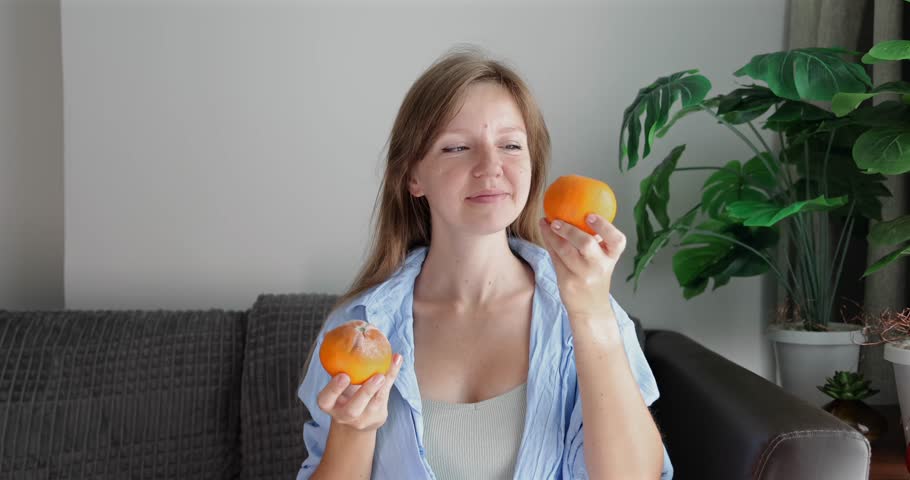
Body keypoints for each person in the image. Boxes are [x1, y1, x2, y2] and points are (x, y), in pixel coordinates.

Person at [296, 45, 674, 479]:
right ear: (412, 177)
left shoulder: (588, 313)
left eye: (511, 145)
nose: (491, 166)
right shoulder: (359, 327)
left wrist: (591, 312)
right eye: (457, 148)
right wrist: (352, 429)